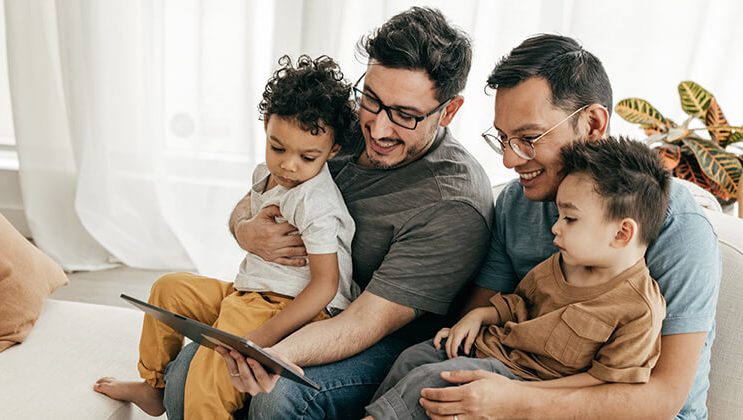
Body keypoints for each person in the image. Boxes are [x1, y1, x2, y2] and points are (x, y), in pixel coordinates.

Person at [164, 7, 495, 420]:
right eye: (371, 99)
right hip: (292, 299)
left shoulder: (453, 202)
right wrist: (244, 230)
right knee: (184, 374)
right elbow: (265, 188)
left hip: (382, 336)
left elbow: (367, 322)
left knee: (277, 394)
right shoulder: (339, 127)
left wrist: (267, 351)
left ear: (449, 110)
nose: (378, 129)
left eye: (406, 115)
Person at [419, 34, 720, 420]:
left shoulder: (676, 226)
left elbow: (663, 398)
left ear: (593, 124)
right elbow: (478, 325)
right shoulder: (516, 204)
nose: (511, 160)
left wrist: (514, 401)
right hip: (520, 381)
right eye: (504, 139)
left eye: (528, 139)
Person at [93, 54, 362, 419]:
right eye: (277, 148)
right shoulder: (268, 176)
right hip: (248, 293)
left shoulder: (315, 201)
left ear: (332, 152)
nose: (288, 165)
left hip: (285, 307)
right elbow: (247, 212)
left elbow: (326, 285)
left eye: (307, 156)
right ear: (266, 126)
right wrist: (244, 229)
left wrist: (260, 339)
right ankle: (154, 387)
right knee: (168, 290)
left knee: (209, 374)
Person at [365, 137, 670, 420]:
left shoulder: (639, 309)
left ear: (621, 233)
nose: (556, 228)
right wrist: (478, 316)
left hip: (529, 384)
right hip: (492, 351)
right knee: (414, 357)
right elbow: (517, 305)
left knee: (435, 382)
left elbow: (604, 382)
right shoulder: (559, 264)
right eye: (559, 217)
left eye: (570, 219)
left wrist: (523, 394)